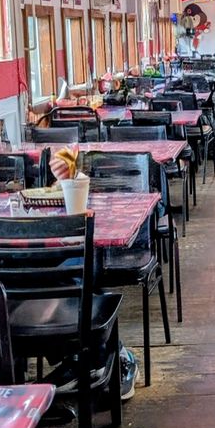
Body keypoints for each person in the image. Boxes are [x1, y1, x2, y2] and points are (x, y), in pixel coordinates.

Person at [48, 152, 138, 401]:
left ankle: (90, 359)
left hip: (6, 315)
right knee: (70, 272)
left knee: (67, 273)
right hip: (26, 310)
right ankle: (102, 358)